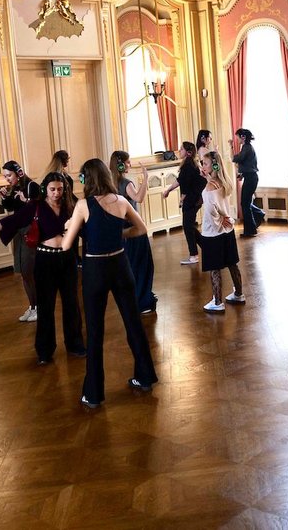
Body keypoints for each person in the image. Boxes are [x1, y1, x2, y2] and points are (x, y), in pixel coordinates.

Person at [62, 158, 158, 407]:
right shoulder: (122, 201)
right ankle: (145, 377)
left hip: (95, 268)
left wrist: (69, 226)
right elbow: (141, 229)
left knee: (95, 331)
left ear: (87, 179)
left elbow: (66, 245)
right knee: (133, 322)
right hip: (120, 265)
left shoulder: (83, 205)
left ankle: (93, 394)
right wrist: (120, 234)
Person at [0, 172, 85, 364]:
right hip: (45, 260)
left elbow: (86, 225)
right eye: (52, 189)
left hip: (68, 259)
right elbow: (9, 222)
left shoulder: (71, 206)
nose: (56, 193)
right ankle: (45, 351)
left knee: (71, 304)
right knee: (45, 306)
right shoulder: (36, 207)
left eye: (60, 189)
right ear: (45, 190)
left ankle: (75, 345)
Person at [110, 150, 157, 314]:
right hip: (134, 228)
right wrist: (145, 179)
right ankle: (143, 301)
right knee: (143, 265)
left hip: (120, 229)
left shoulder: (110, 182)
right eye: (128, 162)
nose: (130, 165)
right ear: (122, 164)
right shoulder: (126, 183)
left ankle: (135, 300)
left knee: (130, 265)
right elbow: (139, 198)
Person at [199, 151, 245, 312]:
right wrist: (224, 220)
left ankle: (217, 302)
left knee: (214, 268)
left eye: (205, 163)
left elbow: (211, 210)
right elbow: (218, 200)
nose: (202, 166)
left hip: (213, 231)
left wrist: (218, 223)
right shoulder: (223, 182)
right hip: (227, 229)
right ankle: (238, 293)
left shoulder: (209, 188)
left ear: (213, 165)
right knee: (232, 263)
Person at [0, 160, 41, 322]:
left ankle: (38, 307)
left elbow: (40, 207)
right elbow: (11, 208)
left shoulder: (31, 186)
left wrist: (26, 201)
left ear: (18, 173)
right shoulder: (15, 188)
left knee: (29, 271)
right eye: (5, 176)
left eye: (9, 175)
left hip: (30, 232)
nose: (7, 179)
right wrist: (4, 197)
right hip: (19, 231)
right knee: (24, 272)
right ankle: (32, 307)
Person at [163, 141, 208, 265]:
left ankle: (193, 256)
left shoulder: (188, 165)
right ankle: (207, 248)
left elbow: (184, 183)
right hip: (195, 199)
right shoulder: (190, 164)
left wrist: (181, 196)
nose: (179, 151)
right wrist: (169, 191)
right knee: (190, 226)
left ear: (188, 152)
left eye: (181, 149)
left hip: (192, 200)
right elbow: (181, 181)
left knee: (188, 227)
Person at [230, 128, 265, 237]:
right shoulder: (247, 147)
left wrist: (231, 148)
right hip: (250, 177)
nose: (238, 140)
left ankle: (250, 230)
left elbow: (236, 159)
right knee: (245, 203)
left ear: (243, 137)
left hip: (251, 179)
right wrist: (242, 174)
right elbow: (247, 164)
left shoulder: (247, 148)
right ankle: (258, 215)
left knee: (244, 204)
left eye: (238, 137)